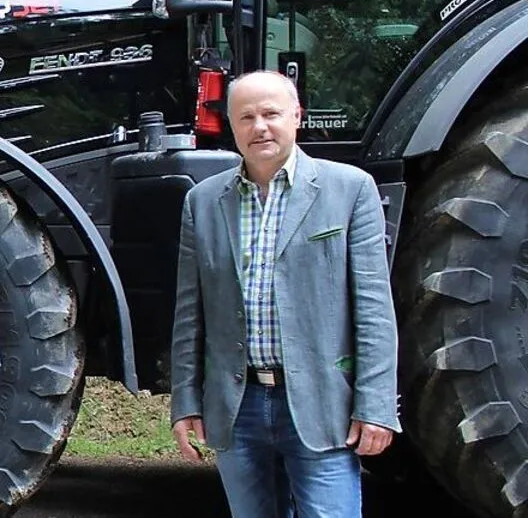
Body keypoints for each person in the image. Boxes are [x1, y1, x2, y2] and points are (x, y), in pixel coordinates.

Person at [169, 71, 400, 517]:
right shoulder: (202, 201)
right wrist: (185, 403)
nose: (260, 127)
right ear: (232, 127)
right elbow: (189, 315)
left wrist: (375, 405)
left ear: (297, 116)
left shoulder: (349, 190)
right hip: (239, 409)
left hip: (320, 404)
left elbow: (373, 309)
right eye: (246, 117)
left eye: (271, 114)